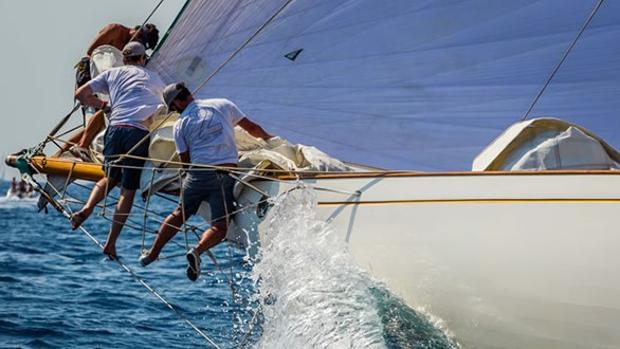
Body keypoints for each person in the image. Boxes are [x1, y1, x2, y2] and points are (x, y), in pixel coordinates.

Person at [139, 83, 273, 281]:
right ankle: (197, 251)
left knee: (178, 214)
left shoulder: (180, 124)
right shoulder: (223, 104)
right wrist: (271, 140)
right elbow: (252, 128)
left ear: (177, 101)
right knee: (219, 227)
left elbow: (185, 161)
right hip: (223, 175)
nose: (174, 110)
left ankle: (153, 253)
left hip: (196, 175)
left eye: (173, 107)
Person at [71, 42, 165, 259]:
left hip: (114, 130)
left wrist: (103, 106)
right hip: (136, 132)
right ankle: (111, 243)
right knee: (128, 189)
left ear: (124, 58)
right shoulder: (154, 78)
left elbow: (81, 94)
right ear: (143, 59)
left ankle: (87, 208)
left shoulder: (113, 74)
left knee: (110, 177)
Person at [59, 23, 160, 159]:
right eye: (139, 39)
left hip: (112, 83)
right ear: (137, 30)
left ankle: (61, 153)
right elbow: (92, 52)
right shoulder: (115, 30)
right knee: (101, 114)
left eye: (142, 44)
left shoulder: (136, 52)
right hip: (91, 73)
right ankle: (81, 146)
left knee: (99, 123)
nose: (138, 43)